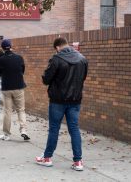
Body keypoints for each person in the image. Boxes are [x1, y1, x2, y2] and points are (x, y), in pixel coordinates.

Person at [36, 37, 88, 171]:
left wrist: (46, 75)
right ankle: (78, 162)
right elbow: (83, 78)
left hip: (57, 101)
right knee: (74, 129)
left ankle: (47, 158)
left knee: (54, 128)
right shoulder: (82, 59)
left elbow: (46, 80)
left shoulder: (56, 59)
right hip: (75, 100)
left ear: (57, 47)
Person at [0, 39, 30, 141]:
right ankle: (23, 130)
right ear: (11, 47)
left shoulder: (1, 60)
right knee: (21, 110)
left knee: (7, 111)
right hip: (19, 86)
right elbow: (22, 70)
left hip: (6, 88)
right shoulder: (19, 58)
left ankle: (6, 134)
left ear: (2, 48)